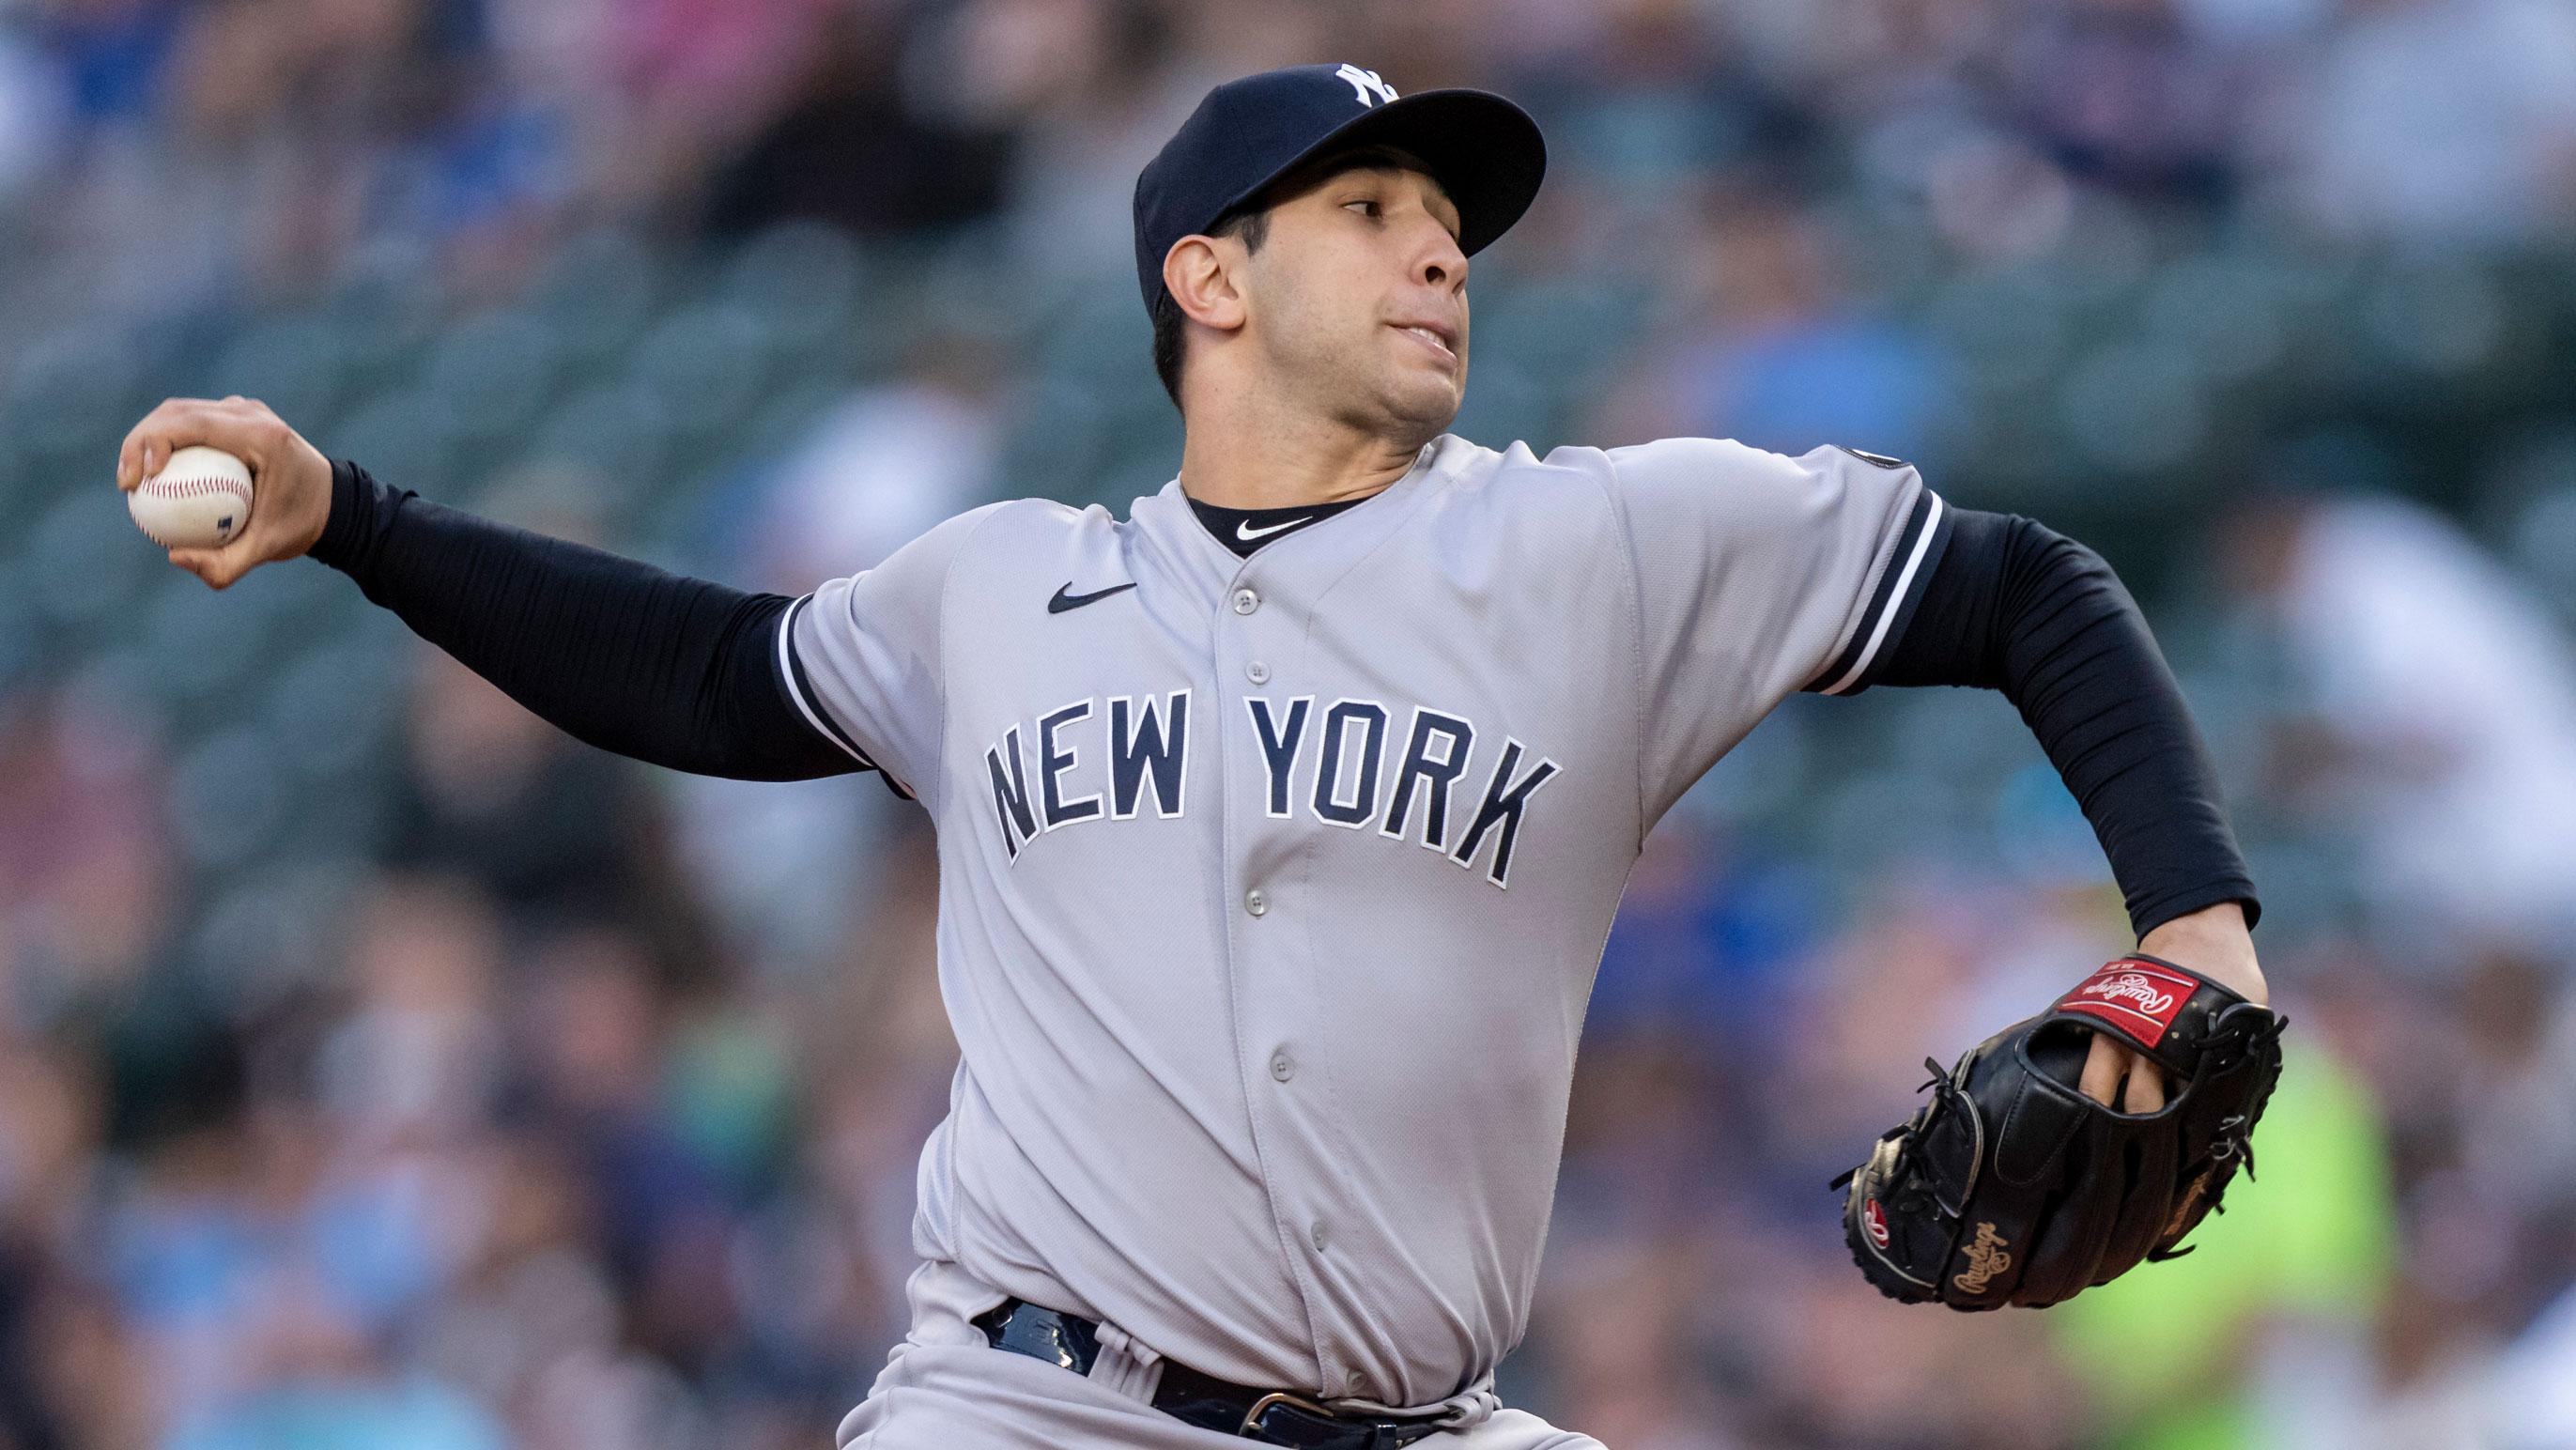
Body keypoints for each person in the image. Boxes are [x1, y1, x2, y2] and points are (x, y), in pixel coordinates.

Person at [116, 62, 2264, 1450]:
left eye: (1449, 214)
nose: (1438, 243)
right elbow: (705, 676)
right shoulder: (997, 590)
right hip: (1029, 1407)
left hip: (1429, 1418)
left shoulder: (1602, 541)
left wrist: (2199, 929)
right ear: (1204, 275)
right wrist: (362, 523)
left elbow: (2024, 588)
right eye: (1369, 205)